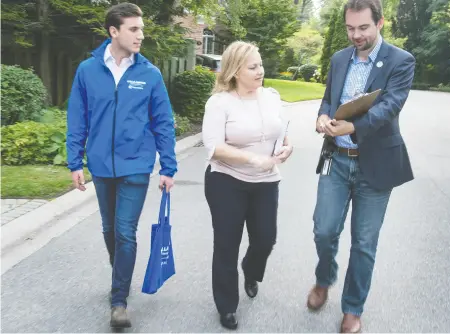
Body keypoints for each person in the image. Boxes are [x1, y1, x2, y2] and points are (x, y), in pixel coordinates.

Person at [66, 2, 177, 328]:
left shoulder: (149, 74)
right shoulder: (87, 71)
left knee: (125, 232)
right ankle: (121, 273)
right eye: (133, 29)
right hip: (101, 165)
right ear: (113, 31)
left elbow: (163, 124)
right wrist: (75, 162)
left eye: (141, 28)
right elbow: (78, 119)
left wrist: (168, 167)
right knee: (109, 229)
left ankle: (119, 301)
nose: (140, 34)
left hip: (135, 167)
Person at [307, 0, 415, 332]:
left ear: (380, 23)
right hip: (336, 160)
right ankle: (324, 278)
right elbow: (329, 97)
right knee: (324, 230)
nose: (356, 35)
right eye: (350, 28)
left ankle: (353, 307)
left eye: (363, 28)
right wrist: (323, 115)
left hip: (376, 165)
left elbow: (392, 105)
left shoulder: (401, 60)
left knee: (364, 242)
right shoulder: (340, 59)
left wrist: (354, 126)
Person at [202, 41, 293, 330]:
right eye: (253, 67)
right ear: (235, 70)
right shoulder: (220, 102)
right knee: (227, 244)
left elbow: (282, 132)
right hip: (226, 180)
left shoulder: (271, 97)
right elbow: (214, 147)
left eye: (260, 65)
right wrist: (254, 159)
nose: (260, 71)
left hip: (266, 181)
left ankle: (251, 270)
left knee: (266, 239)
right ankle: (227, 306)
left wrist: (286, 149)